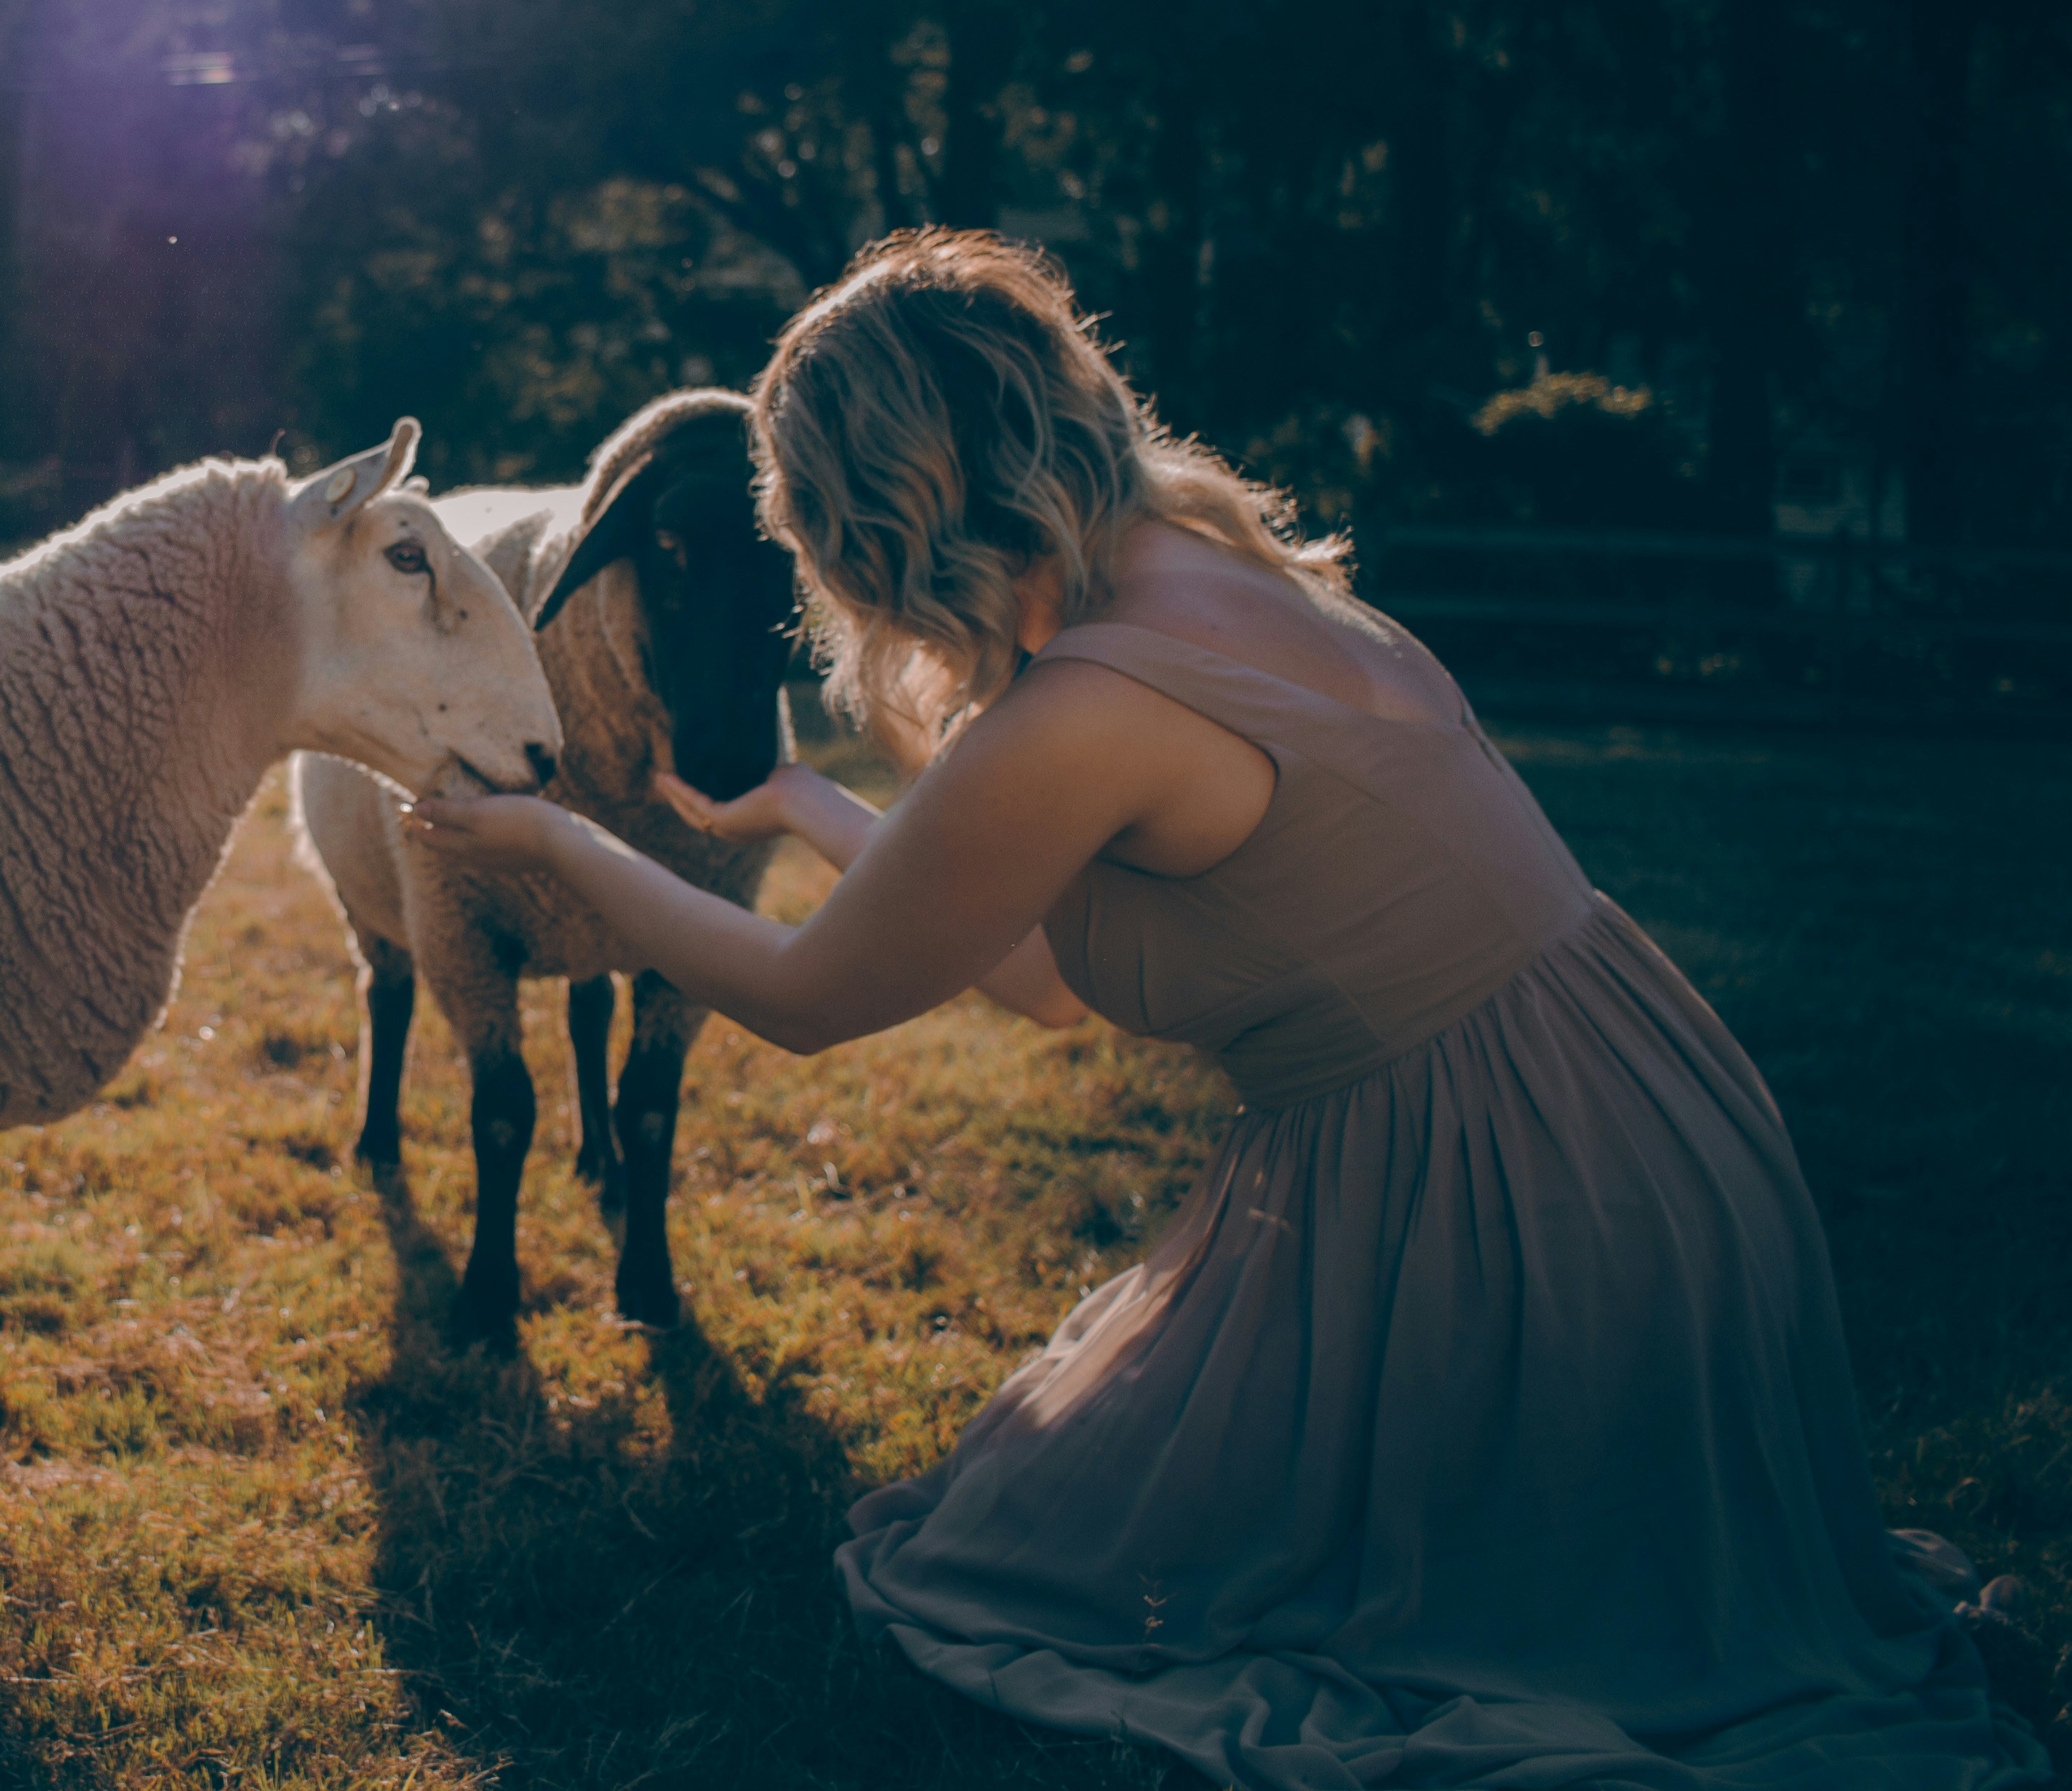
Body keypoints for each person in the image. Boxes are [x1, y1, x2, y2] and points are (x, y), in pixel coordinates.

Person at [402, 229, 2049, 1788]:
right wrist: (795, 814)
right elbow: (1045, 984)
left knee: (1041, 1574)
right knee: (1079, 1517)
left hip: (1512, 1205)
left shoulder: (1083, 706)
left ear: (863, 514)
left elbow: (809, 998)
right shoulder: (1218, 570)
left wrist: (548, 841)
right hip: (1648, 1124)